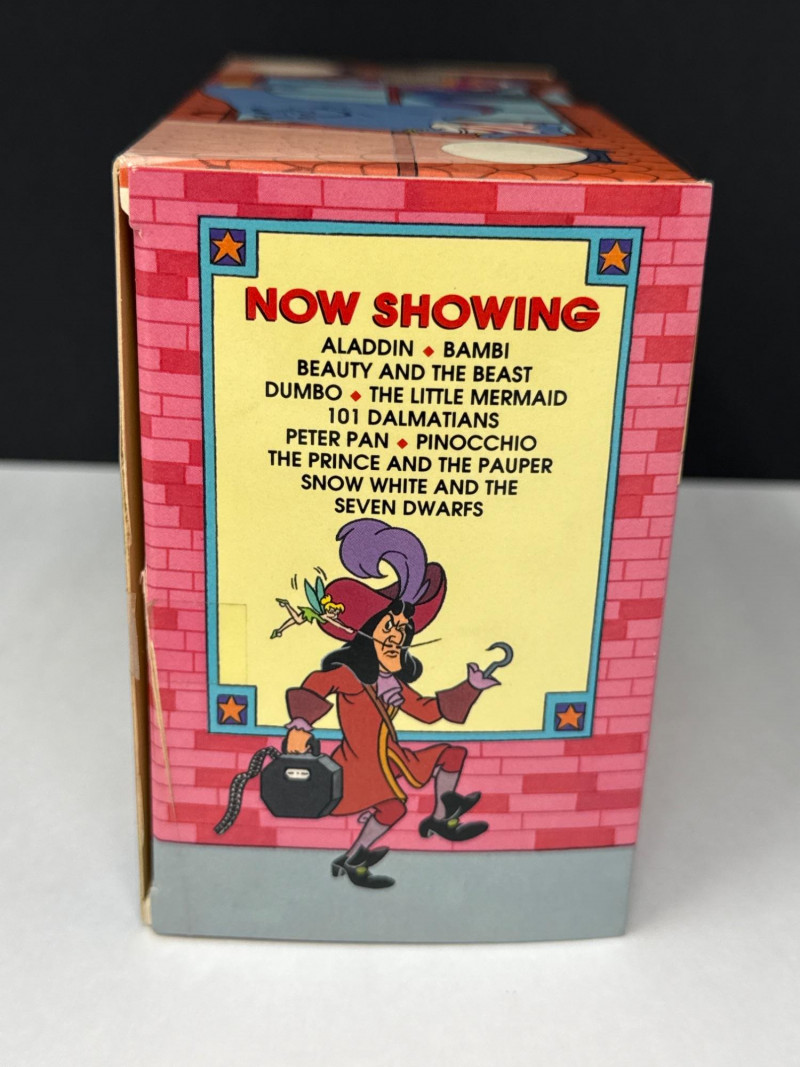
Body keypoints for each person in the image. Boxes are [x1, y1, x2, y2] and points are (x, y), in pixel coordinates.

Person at [283, 519, 500, 889]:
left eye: (403, 630)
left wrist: (471, 687)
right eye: (389, 627)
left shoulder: (394, 682)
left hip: (391, 757)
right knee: (393, 808)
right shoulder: (349, 676)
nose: (397, 636)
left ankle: (441, 817)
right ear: (366, 636)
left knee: (452, 755)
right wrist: (302, 723)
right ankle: (354, 859)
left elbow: (428, 711)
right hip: (356, 766)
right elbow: (317, 684)